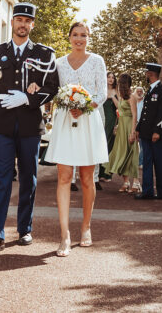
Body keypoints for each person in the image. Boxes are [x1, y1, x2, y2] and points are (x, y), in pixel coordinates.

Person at [0, 2, 60, 254]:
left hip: (29, 126)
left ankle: (24, 229)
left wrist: (27, 98)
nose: (23, 24)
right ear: (12, 22)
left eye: (27, 21)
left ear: (32, 25)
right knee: (0, 179)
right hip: (1, 125)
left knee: (28, 179)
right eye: (19, 19)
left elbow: (52, 87)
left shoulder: (44, 54)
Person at [42, 21, 109, 256]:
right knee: (64, 176)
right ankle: (64, 235)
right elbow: (53, 91)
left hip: (88, 120)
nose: (79, 39)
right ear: (69, 37)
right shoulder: (58, 63)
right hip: (65, 120)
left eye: (84, 35)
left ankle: (86, 227)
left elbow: (102, 92)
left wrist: (85, 105)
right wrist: (65, 103)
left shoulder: (97, 61)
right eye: (75, 35)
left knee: (87, 177)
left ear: (88, 38)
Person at [135, 62, 162, 201]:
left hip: (157, 134)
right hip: (145, 133)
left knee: (159, 163)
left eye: (146, 73)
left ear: (150, 74)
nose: (145, 75)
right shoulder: (150, 90)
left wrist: (157, 131)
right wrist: (138, 129)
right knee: (147, 162)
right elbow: (145, 113)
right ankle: (147, 191)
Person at [105, 73, 139, 193]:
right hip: (121, 127)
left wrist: (133, 132)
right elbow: (119, 110)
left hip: (130, 126)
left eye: (121, 83)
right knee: (122, 154)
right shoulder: (122, 96)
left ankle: (136, 182)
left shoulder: (132, 97)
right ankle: (125, 182)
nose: (120, 85)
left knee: (132, 154)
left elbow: (135, 115)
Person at [100, 71, 118, 180]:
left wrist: (112, 97)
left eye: (113, 77)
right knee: (101, 145)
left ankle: (107, 173)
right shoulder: (101, 89)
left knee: (109, 145)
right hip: (101, 119)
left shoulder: (117, 91)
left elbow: (119, 106)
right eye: (109, 77)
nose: (111, 79)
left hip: (112, 120)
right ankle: (98, 172)